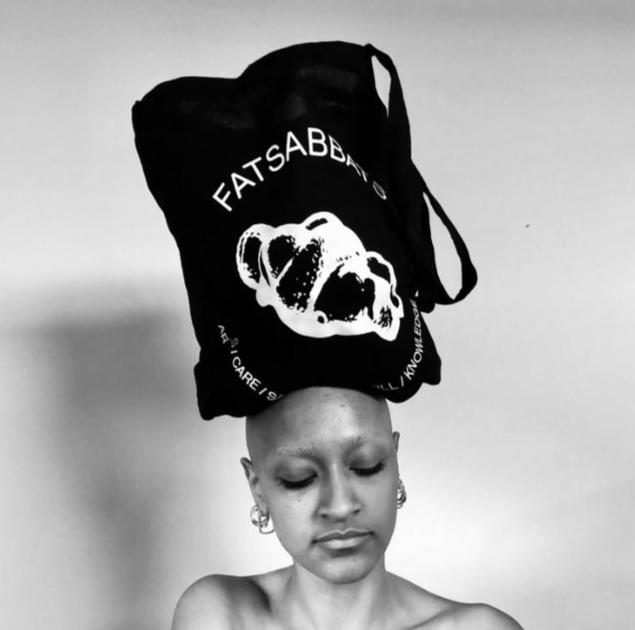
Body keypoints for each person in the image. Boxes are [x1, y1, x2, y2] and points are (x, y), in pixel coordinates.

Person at [171, 386, 523, 630]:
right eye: (299, 479)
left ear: (395, 462)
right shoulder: (219, 614)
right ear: (258, 490)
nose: (340, 506)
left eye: (367, 466)